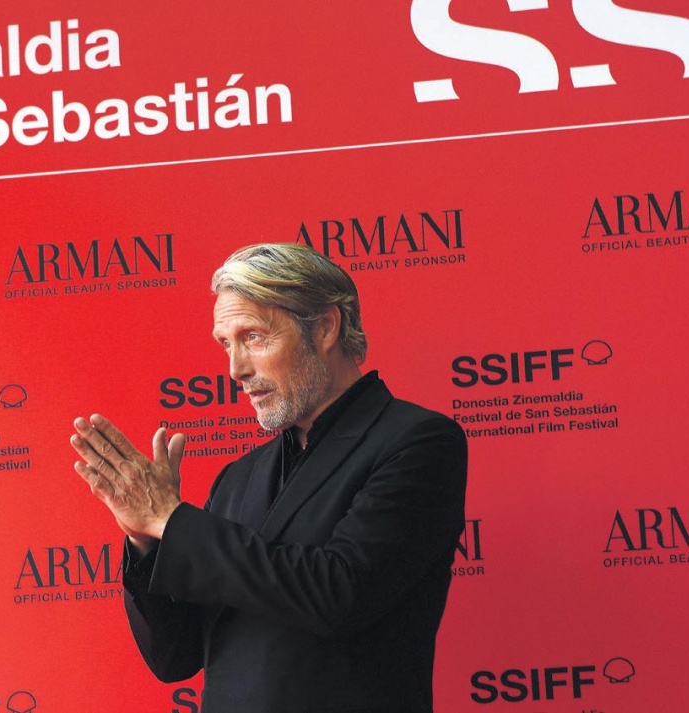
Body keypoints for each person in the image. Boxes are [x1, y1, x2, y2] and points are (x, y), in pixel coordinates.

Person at [70, 243, 467, 712]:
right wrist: (146, 538)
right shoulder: (237, 478)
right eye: (226, 343)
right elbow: (175, 657)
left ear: (324, 327)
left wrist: (171, 521)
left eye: (254, 337)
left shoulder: (417, 441)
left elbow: (340, 594)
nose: (236, 369)